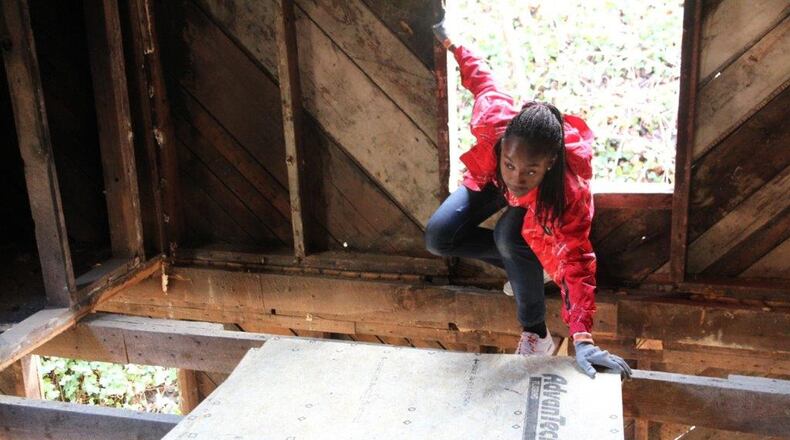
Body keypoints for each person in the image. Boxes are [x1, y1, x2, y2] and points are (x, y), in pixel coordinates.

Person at [426, 21, 631, 379]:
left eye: (530, 170)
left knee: (509, 233)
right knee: (439, 236)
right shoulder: (496, 123)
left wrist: (583, 338)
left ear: (549, 164)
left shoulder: (568, 193)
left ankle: (536, 332)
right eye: (511, 163)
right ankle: (524, 268)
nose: (518, 177)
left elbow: (578, 260)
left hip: (538, 213)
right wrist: (451, 42)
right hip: (490, 182)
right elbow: (480, 78)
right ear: (504, 145)